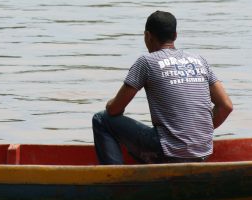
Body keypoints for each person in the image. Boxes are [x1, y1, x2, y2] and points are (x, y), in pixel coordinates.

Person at [92, 10, 233, 165]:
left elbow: (114, 110)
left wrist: (110, 105)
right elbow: (226, 106)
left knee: (101, 119)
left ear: (147, 36)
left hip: (167, 151)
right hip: (203, 152)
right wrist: (197, 135)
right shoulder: (199, 60)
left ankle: (114, 179)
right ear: (175, 36)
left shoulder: (146, 62)